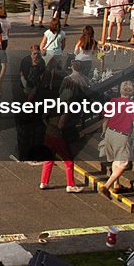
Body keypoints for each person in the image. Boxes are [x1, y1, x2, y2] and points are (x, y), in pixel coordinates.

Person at [39, 60, 89, 193]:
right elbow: (61, 124)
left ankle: (44, 181)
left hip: (49, 133)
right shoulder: (67, 107)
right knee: (68, 160)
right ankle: (70, 185)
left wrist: (49, 125)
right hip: (59, 136)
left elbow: (44, 117)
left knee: (48, 159)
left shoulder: (54, 103)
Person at [99, 81, 134, 197]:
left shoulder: (112, 102)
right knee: (123, 163)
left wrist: (103, 132)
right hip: (121, 136)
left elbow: (106, 120)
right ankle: (106, 186)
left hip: (110, 133)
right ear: (132, 92)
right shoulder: (133, 105)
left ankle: (116, 185)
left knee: (115, 159)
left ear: (120, 91)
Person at [40, 18, 66, 89]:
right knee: (53, 68)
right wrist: (60, 50)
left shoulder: (48, 32)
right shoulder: (62, 33)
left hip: (48, 52)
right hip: (57, 52)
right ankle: (51, 83)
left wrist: (42, 50)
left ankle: (41, 81)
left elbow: (42, 43)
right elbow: (63, 45)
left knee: (44, 67)